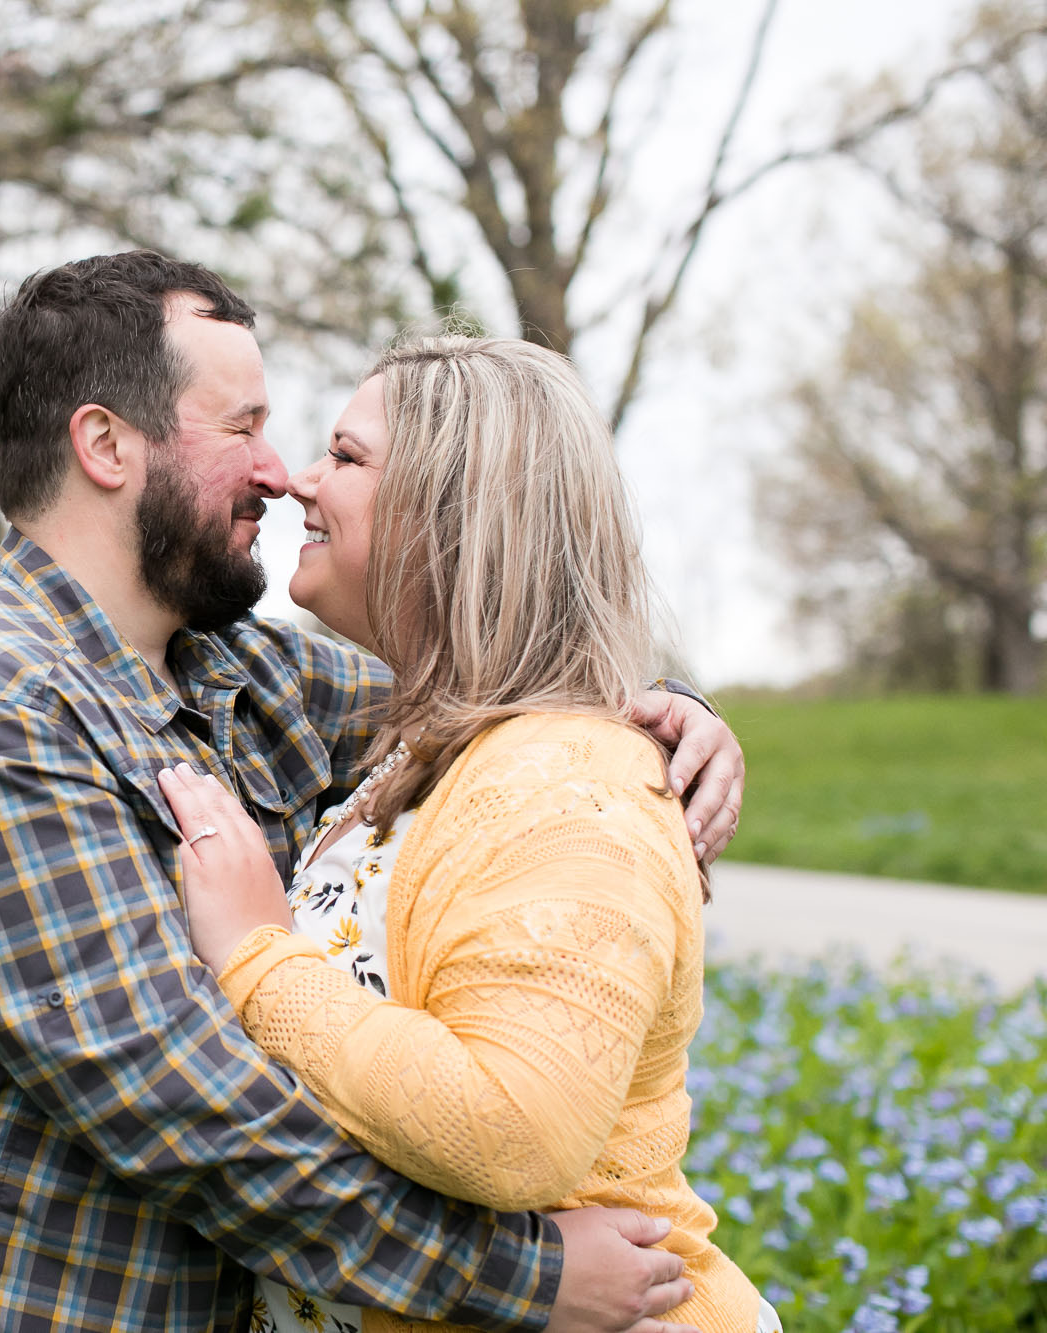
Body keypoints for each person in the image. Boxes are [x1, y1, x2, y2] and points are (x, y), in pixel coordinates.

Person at [0, 251, 744, 1333]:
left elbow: (493, 688)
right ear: (106, 445)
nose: (279, 470)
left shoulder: (236, 673)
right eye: (241, 427)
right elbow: (178, 1099)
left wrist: (656, 710)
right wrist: (520, 1276)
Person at [154, 336, 773, 1333]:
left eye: (346, 457)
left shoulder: (572, 780)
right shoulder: (425, 749)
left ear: (454, 517)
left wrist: (254, 957)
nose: (299, 482)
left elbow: (510, 1128)